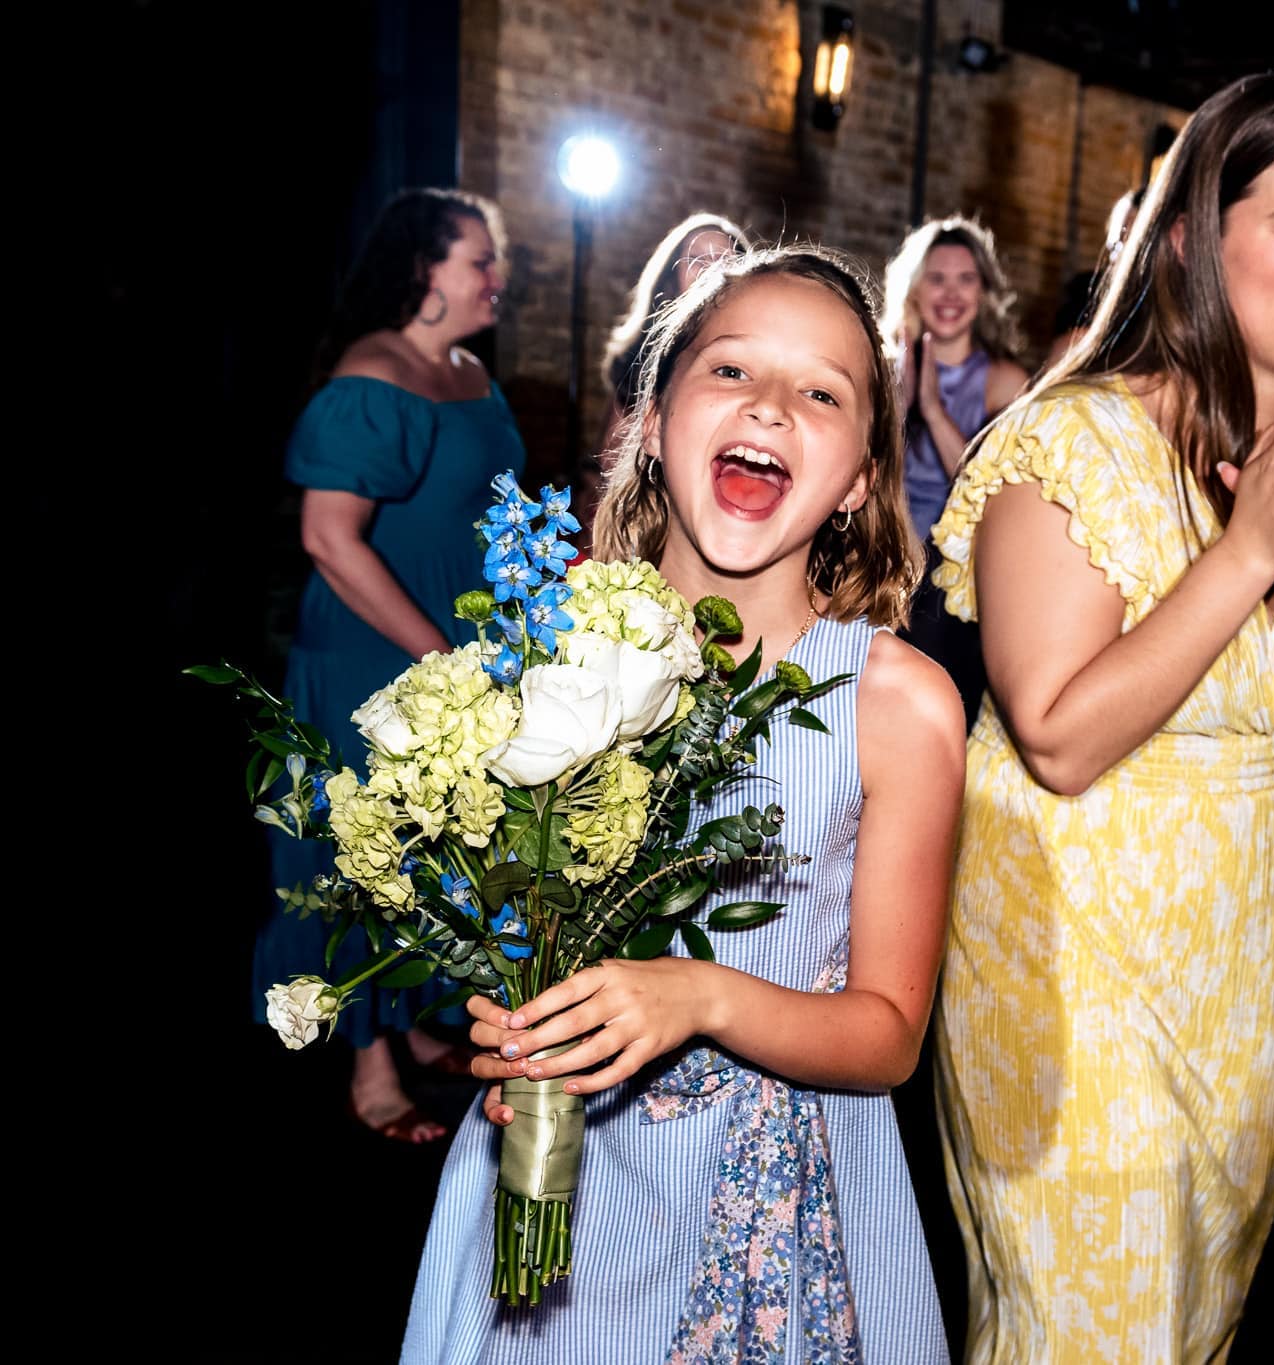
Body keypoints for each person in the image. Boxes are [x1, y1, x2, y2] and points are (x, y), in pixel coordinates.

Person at [932, 74, 1274, 1359]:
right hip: (1063, 938)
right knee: (1091, 1324)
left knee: (1193, 1317)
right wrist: (1244, 554)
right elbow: (1056, 737)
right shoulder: (1073, 446)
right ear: (1188, 241)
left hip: (1245, 938)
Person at [403, 246, 963, 1363]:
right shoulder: (547, 648)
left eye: (820, 392)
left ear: (858, 475)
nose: (769, 405)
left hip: (768, 1192)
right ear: (655, 421)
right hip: (564, 1171)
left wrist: (697, 996)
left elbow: (890, 1035)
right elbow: (508, 910)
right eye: (731, 372)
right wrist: (509, 1022)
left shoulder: (893, 701)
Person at [251, 187, 526, 1143]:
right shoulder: (373, 375)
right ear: (424, 271)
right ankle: (370, 1071)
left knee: (430, 850)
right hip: (376, 658)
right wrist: (440, 655)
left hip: (450, 656)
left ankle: (410, 1028)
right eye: (479, 261)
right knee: (362, 854)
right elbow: (330, 539)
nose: (499, 278)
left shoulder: (465, 369)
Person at [880, 218, 1030, 717]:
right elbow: (868, 474)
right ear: (914, 287)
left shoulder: (1006, 381)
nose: (950, 293)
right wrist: (901, 401)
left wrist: (933, 408)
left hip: (957, 582)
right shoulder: (881, 368)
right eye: (937, 278)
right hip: (885, 556)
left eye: (965, 279)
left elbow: (990, 490)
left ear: (984, 290)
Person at [575, 213, 752, 539]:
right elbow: (612, 452)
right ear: (672, 280)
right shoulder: (645, 357)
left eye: (725, 259)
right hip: (650, 517)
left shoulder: (758, 356)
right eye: (698, 260)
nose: (713, 268)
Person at [1040, 190, 1139, 374]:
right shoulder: (1085, 289)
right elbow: (1061, 354)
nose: (1122, 242)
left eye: (1133, 233)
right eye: (1120, 231)